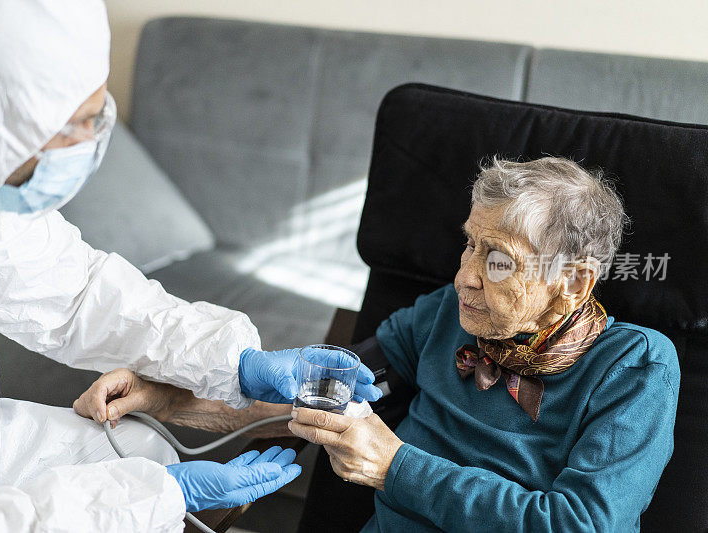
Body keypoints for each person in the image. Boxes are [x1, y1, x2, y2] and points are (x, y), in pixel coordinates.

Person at [0, 2, 381, 532]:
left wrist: (236, 363)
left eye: (96, 114)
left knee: (139, 451)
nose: (90, 143)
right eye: (77, 124)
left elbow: (78, 296)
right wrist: (159, 496)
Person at [287, 157, 681, 532]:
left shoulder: (634, 366)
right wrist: (240, 395)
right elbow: (346, 374)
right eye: (471, 244)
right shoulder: (452, 310)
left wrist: (397, 469)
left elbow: (580, 524)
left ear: (573, 283)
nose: (465, 278)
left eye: (499, 261)